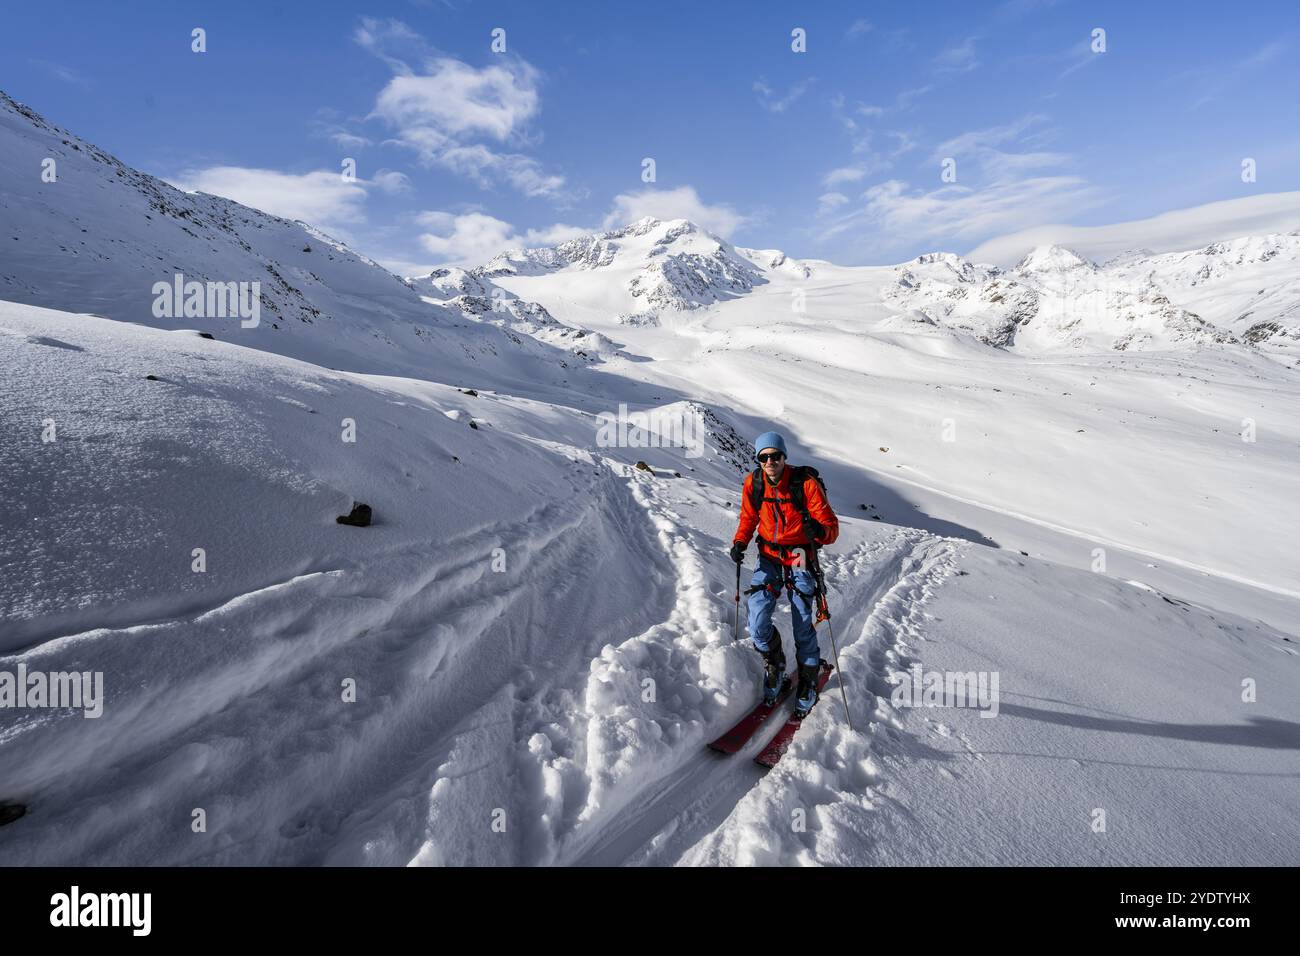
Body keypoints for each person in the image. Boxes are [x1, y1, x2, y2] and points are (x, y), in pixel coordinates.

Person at [729, 431, 839, 717]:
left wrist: (820, 532)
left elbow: (830, 527)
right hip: (769, 557)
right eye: (763, 457)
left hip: (800, 555)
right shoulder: (753, 483)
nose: (769, 462)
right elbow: (749, 516)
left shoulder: (805, 484)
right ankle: (775, 663)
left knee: (803, 619)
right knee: (756, 617)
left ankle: (808, 679)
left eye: (775, 456)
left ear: (784, 457)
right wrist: (740, 541)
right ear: (758, 459)